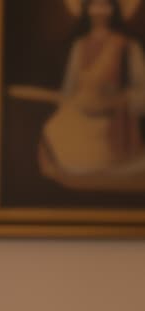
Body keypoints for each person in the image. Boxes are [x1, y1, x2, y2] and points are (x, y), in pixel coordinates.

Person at [39, 0, 145, 188]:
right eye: (95, 5)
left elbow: (142, 89)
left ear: (114, 9)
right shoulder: (80, 45)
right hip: (79, 118)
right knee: (53, 133)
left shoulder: (127, 46)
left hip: (113, 124)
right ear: (87, 9)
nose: (100, 11)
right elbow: (69, 89)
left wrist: (121, 99)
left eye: (105, 5)